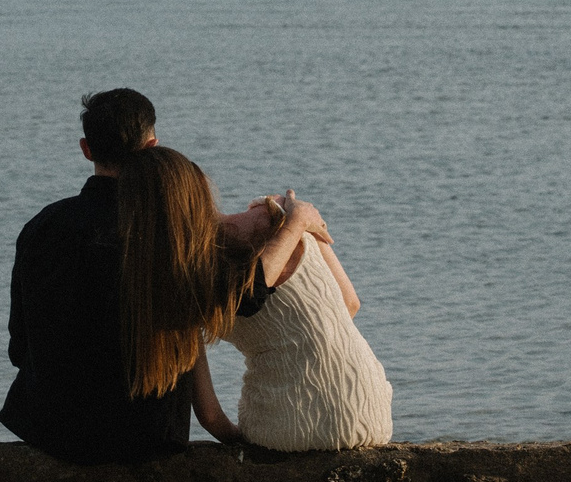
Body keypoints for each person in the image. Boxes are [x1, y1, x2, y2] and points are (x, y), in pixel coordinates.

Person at [109, 145, 390, 453]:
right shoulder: (280, 215)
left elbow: (210, 415)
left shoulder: (175, 286)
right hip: (369, 414)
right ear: (199, 185)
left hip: (283, 429)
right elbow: (349, 303)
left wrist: (239, 439)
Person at [0, 89, 214, 464]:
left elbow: (20, 345)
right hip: (149, 433)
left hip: (55, 432)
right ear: (151, 147)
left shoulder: (43, 226)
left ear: (86, 149)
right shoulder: (168, 229)